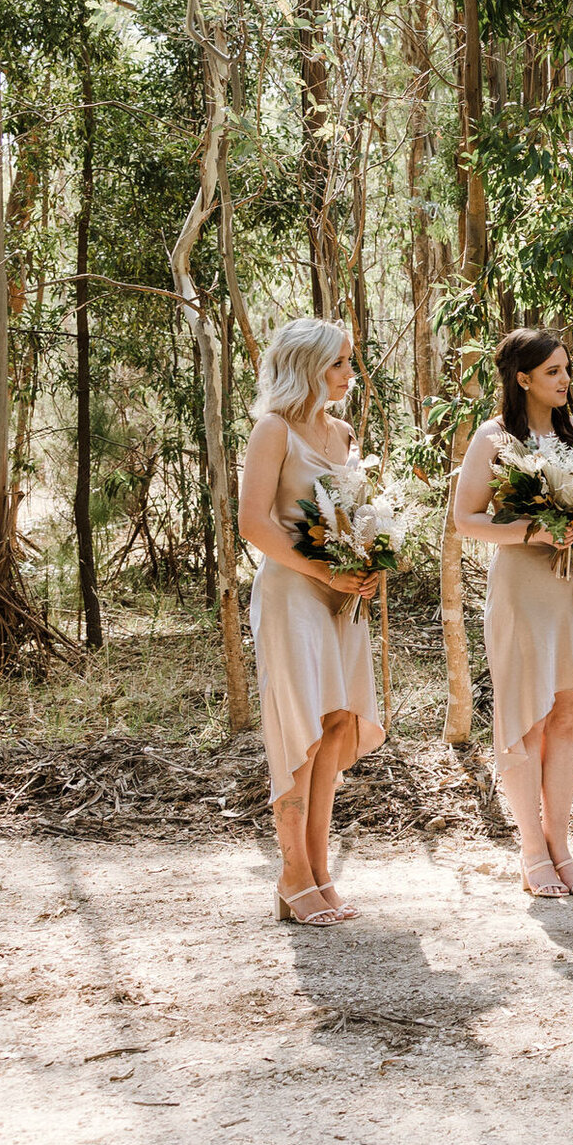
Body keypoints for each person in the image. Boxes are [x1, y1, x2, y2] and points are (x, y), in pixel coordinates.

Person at [452, 330, 573, 899]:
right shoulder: (492, 438)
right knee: (528, 717)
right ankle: (530, 852)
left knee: (568, 716)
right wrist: (533, 529)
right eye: (554, 372)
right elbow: (467, 521)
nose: (566, 380)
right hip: (523, 587)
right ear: (523, 379)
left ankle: (561, 845)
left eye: (566, 369)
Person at [238, 318, 386, 927]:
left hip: (341, 596)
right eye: (341, 363)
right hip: (294, 594)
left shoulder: (345, 433)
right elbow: (254, 524)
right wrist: (325, 574)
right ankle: (292, 872)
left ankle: (322, 872)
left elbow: (350, 517)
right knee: (298, 725)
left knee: (333, 724)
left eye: (350, 362)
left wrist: (371, 562)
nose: (351, 373)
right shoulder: (273, 430)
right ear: (308, 366)